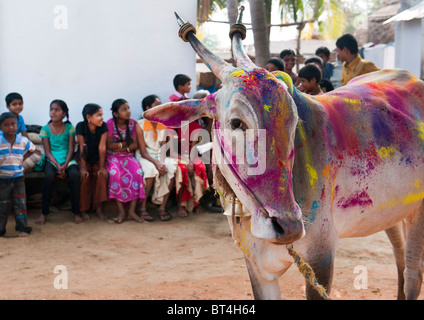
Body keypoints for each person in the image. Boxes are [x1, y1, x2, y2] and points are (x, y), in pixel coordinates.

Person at [35, 100, 83, 225]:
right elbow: (47, 151)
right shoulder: (45, 129)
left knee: (74, 176)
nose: (53, 112)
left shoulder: (69, 128)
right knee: (49, 177)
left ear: (64, 113)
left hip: (68, 159)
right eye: (51, 109)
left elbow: (71, 149)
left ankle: (76, 212)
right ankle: (44, 213)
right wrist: (57, 165)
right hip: (52, 160)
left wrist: (65, 165)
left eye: (57, 110)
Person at [135, 95, 177, 222]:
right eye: (156, 104)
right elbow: (142, 151)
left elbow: (164, 147)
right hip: (146, 156)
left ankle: (162, 207)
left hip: (159, 155)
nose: (160, 106)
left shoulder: (162, 123)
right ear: (148, 108)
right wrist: (157, 164)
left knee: (171, 168)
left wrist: (162, 162)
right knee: (150, 171)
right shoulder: (140, 124)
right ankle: (142, 208)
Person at [106, 99, 145, 223]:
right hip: (113, 156)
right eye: (124, 109)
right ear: (116, 114)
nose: (128, 111)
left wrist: (121, 146)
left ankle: (132, 211)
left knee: (137, 173)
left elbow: (135, 145)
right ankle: (121, 211)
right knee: (114, 175)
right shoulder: (110, 124)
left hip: (128, 156)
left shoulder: (133, 124)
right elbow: (110, 146)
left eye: (128, 108)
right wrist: (126, 145)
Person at [0, 112, 35, 237]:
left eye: (13, 124)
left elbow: (33, 149)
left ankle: (23, 228)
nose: (10, 127)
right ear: (0, 127)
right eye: (6, 125)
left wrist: (22, 159)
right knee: (2, 205)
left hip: (18, 178)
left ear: (17, 125)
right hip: (2, 179)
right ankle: (1, 229)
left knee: (20, 203)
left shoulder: (23, 140)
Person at [76, 104, 109, 221]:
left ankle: (99, 208)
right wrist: (83, 168)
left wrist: (101, 167)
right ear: (88, 117)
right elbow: (82, 148)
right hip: (83, 158)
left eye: (102, 115)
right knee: (84, 178)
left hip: (98, 159)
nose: (102, 118)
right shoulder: (80, 126)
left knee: (101, 176)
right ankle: (83, 209)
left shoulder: (103, 127)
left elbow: (102, 147)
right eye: (98, 115)